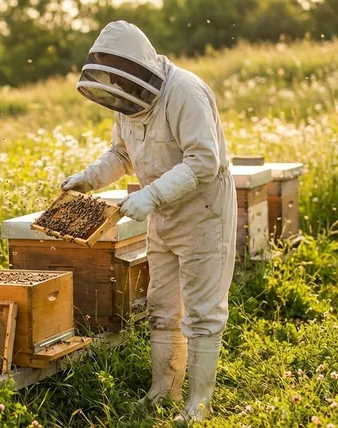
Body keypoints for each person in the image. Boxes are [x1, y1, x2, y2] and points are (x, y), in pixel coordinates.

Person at [60, 20, 237, 422]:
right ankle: (163, 392)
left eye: (123, 79)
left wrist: (150, 196)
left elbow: (204, 162)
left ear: (139, 66)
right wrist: (89, 178)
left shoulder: (186, 92)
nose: (119, 90)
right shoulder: (127, 100)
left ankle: (199, 403)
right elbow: (121, 154)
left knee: (202, 310)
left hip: (203, 212)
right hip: (162, 214)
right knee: (161, 306)